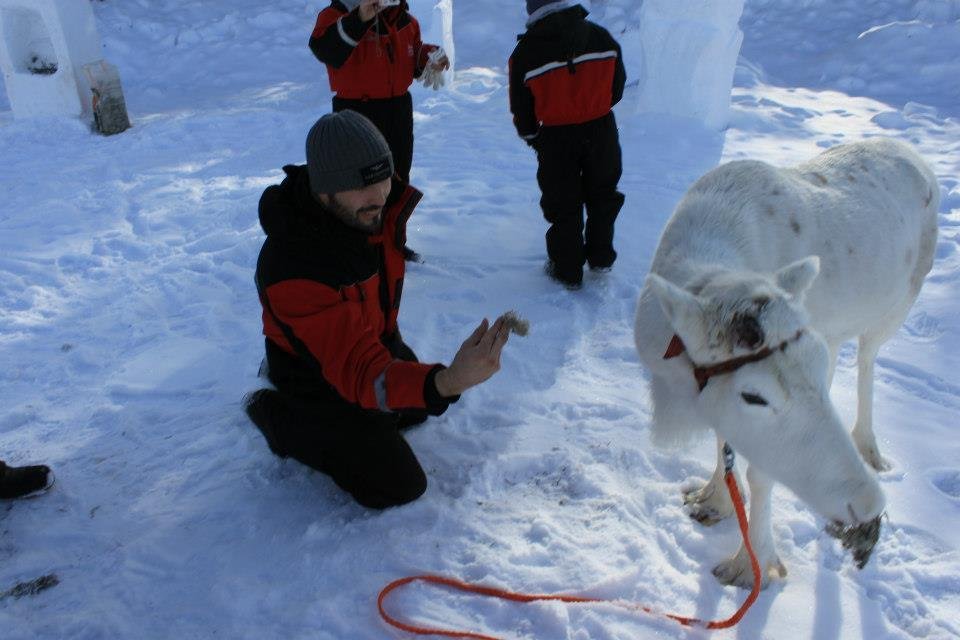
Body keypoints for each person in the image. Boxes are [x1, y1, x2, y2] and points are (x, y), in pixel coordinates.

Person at [245, 110, 510, 509]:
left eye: (383, 179)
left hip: (370, 339)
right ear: (325, 190)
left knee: (412, 409)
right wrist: (450, 381)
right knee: (396, 484)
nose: (380, 197)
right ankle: (278, 414)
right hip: (315, 373)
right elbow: (362, 375)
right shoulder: (292, 264)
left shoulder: (371, 210)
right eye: (360, 186)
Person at [508, 0, 627, 289]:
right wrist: (593, 107)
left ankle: (567, 268)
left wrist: (533, 136)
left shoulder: (525, 53)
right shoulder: (601, 37)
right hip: (601, 131)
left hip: (556, 138)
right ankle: (600, 257)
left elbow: (521, 108)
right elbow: (617, 86)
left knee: (563, 203)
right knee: (603, 194)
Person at [308, 0, 449, 185]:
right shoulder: (336, 15)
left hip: (399, 112)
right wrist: (359, 18)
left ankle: (396, 212)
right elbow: (324, 49)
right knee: (361, 185)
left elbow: (409, 55)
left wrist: (427, 57)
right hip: (357, 114)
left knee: (398, 181)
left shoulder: (407, 21)